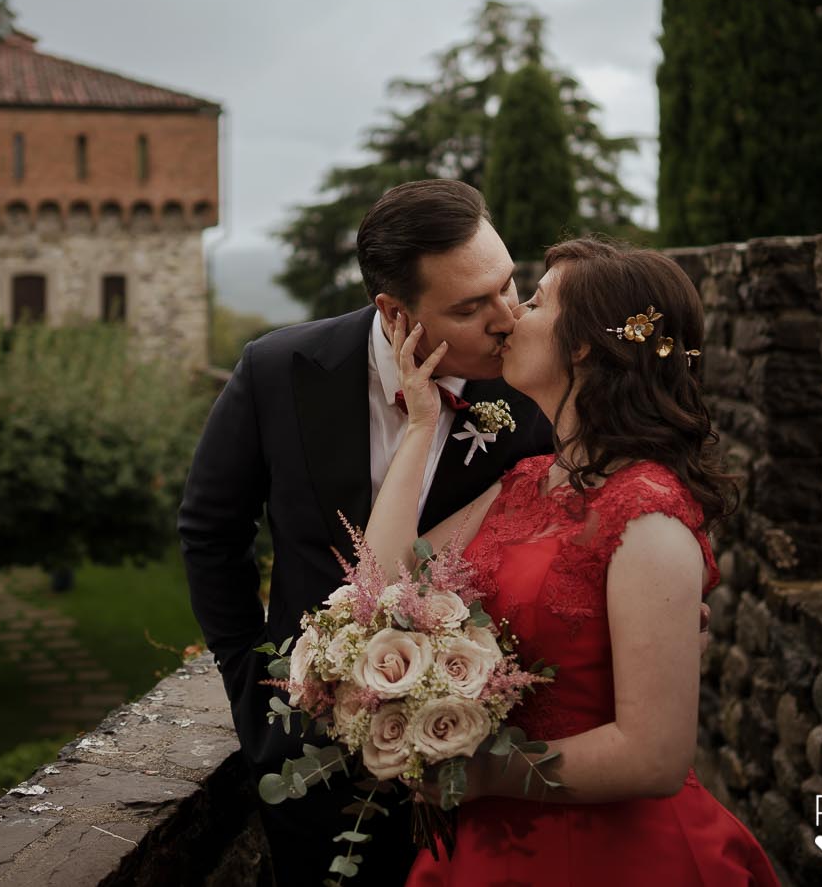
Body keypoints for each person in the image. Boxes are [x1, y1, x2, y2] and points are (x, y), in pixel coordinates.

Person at [366, 235, 779, 887]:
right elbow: (385, 580)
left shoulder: (648, 515)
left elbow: (656, 755)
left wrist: (479, 772)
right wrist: (420, 424)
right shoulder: (527, 480)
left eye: (533, 300)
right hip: (491, 849)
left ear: (583, 342)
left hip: (609, 855)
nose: (510, 316)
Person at [179, 179, 555, 887]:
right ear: (393, 311)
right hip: (312, 769)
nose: (508, 318)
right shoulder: (277, 371)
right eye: (472, 307)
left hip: (479, 766)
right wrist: (250, 682)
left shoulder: (529, 387)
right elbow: (209, 532)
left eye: (511, 285)